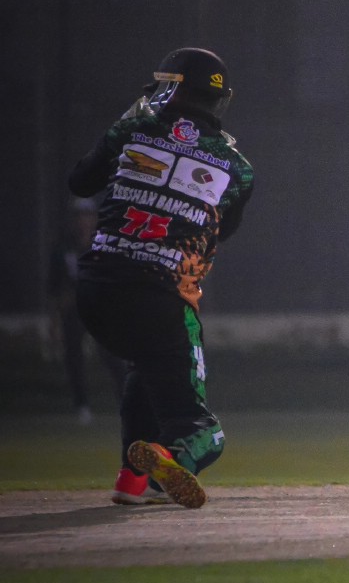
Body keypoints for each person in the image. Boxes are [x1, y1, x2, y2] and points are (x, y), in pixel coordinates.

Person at [67, 47, 255, 508]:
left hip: (94, 292)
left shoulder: (133, 129)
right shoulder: (237, 167)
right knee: (205, 433)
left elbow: (80, 183)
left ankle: (131, 480)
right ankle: (168, 458)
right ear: (219, 100)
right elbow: (221, 232)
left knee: (146, 368)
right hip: (161, 299)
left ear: (168, 87)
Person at [45, 196, 129, 424]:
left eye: (87, 216)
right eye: (79, 217)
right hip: (73, 311)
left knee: (112, 356)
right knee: (74, 357)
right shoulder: (63, 247)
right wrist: (54, 319)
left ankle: (126, 403)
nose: (83, 221)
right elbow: (54, 286)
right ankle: (81, 405)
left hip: (100, 309)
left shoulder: (103, 244)